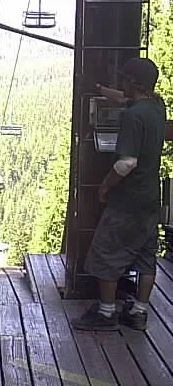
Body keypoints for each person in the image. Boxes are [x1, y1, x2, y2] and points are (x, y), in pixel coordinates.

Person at [71, 58, 166, 331]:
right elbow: (125, 99)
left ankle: (106, 313)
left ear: (133, 82)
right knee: (146, 257)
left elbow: (127, 163)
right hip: (150, 198)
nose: (122, 82)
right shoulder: (157, 107)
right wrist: (99, 89)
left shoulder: (132, 117)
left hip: (127, 200)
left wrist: (105, 186)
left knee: (106, 254)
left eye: (124, 79)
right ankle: (139, 312)